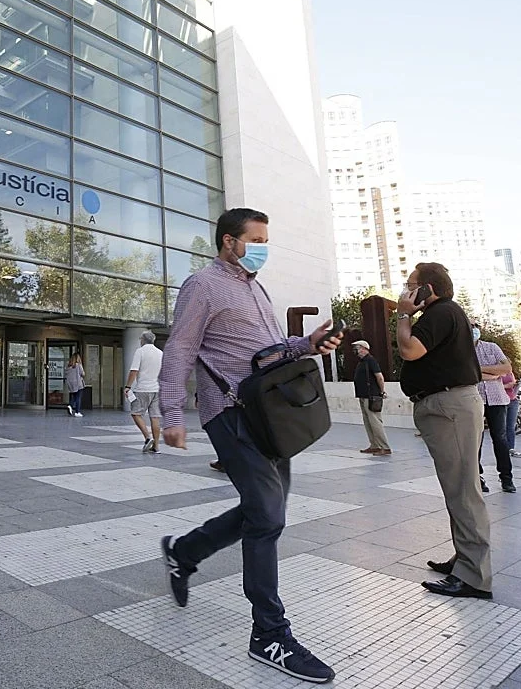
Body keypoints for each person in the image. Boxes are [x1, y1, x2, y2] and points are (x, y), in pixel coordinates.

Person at [157, 208, 340, 684]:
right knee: (268, 516)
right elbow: (179, 348)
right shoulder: (203, 285)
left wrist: (306, 344)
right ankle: (270, 634)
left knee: (264, 510)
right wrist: (172, 414)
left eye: (264, 238)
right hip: (230, 413)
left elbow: (267, 349)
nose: (261, 246)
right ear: (227, 242)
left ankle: (184, 551)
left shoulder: (255, 287)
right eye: (254, 239)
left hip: (267, 413)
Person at [397, 262, 493, 600]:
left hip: (450, 406)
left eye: (411, 285)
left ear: (429, 288)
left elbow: (409, 350)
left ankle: (473, 577)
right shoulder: (443, 314)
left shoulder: (441, 312)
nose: (406, 292)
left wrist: (402, 315)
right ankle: (464, 559)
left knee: (463, 490)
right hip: (447, 406)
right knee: (457, 488)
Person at [472, 323, 515, 493]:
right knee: (476, 440)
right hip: (475, 399)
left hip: (497, 399)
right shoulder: (461, 350)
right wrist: (494, 373)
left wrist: (479, 369)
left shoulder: (492, 347)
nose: (473, 330)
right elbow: (467, 372)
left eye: (475, 327)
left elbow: (506, 368)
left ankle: (506, 477)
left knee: (500, 438)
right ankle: (478, 477)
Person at [125, 330, 164, 453]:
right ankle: (156, 447)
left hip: (143, 389)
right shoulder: (160, 353)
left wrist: (128, 386)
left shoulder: (140, 352)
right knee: (155, 417)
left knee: (136, 413)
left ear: (143, 340)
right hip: (157, 389)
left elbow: (134, 371)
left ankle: (148, 437)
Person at [352, 340, 391, 455]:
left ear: (364, 348)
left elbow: (379, 377)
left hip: (371, 396)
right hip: (363, 396)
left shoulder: (370, 360)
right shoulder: (362, 362)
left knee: (375, 422)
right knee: (368, 422)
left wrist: (382, 391)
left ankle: (385, 447)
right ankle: (375, 445)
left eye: (357, 347)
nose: (355, 350)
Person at [501, 373, 521, 458]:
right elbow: (493, 388)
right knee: (502, 427)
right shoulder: (496, 374)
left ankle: (511, 448)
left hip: (513, 400)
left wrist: (516, 385)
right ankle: (503, 448)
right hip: (502, 401)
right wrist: (506, 386)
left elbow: (513, 387)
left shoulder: (510, 373)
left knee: (511, 426)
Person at [64, 353, 85, 417]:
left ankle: (70, 406)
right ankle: (77, 412)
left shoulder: (68, 366)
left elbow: (66, 374)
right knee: (78, 397)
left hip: (71, 384)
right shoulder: (78, 365)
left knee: (74, 396)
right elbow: (83, 373)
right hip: (78, 383)